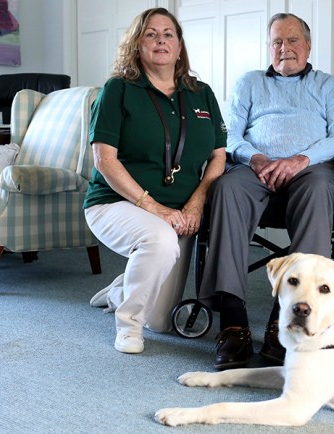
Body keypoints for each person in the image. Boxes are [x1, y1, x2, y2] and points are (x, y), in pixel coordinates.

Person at [199, 13, 334, 370]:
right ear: (269, 47)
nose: (285, 48)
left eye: (293, 40)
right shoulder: (249, 82)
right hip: (257, 168)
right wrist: (256, 158)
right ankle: (233, 322)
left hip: (311, 169)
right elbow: (230, 135)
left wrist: (299, 160)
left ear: (308, 46)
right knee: (226, 188)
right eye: (277, 42)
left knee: (318, 190)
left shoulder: (329, 84)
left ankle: (286, 319)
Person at [83, 7, 227, 354]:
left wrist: (197, 202)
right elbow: (104, 160)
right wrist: (155, 208)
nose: (160, 40)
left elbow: (218, 157)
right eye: (151, 34)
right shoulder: (118, 89)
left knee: (161, 320)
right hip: (116, 203)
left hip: (180, 214)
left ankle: (120, 290)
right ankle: (128, 325)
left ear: (179, 46)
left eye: (168, 34)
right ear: (137, 44)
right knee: (159, 241)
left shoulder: (202, 93)